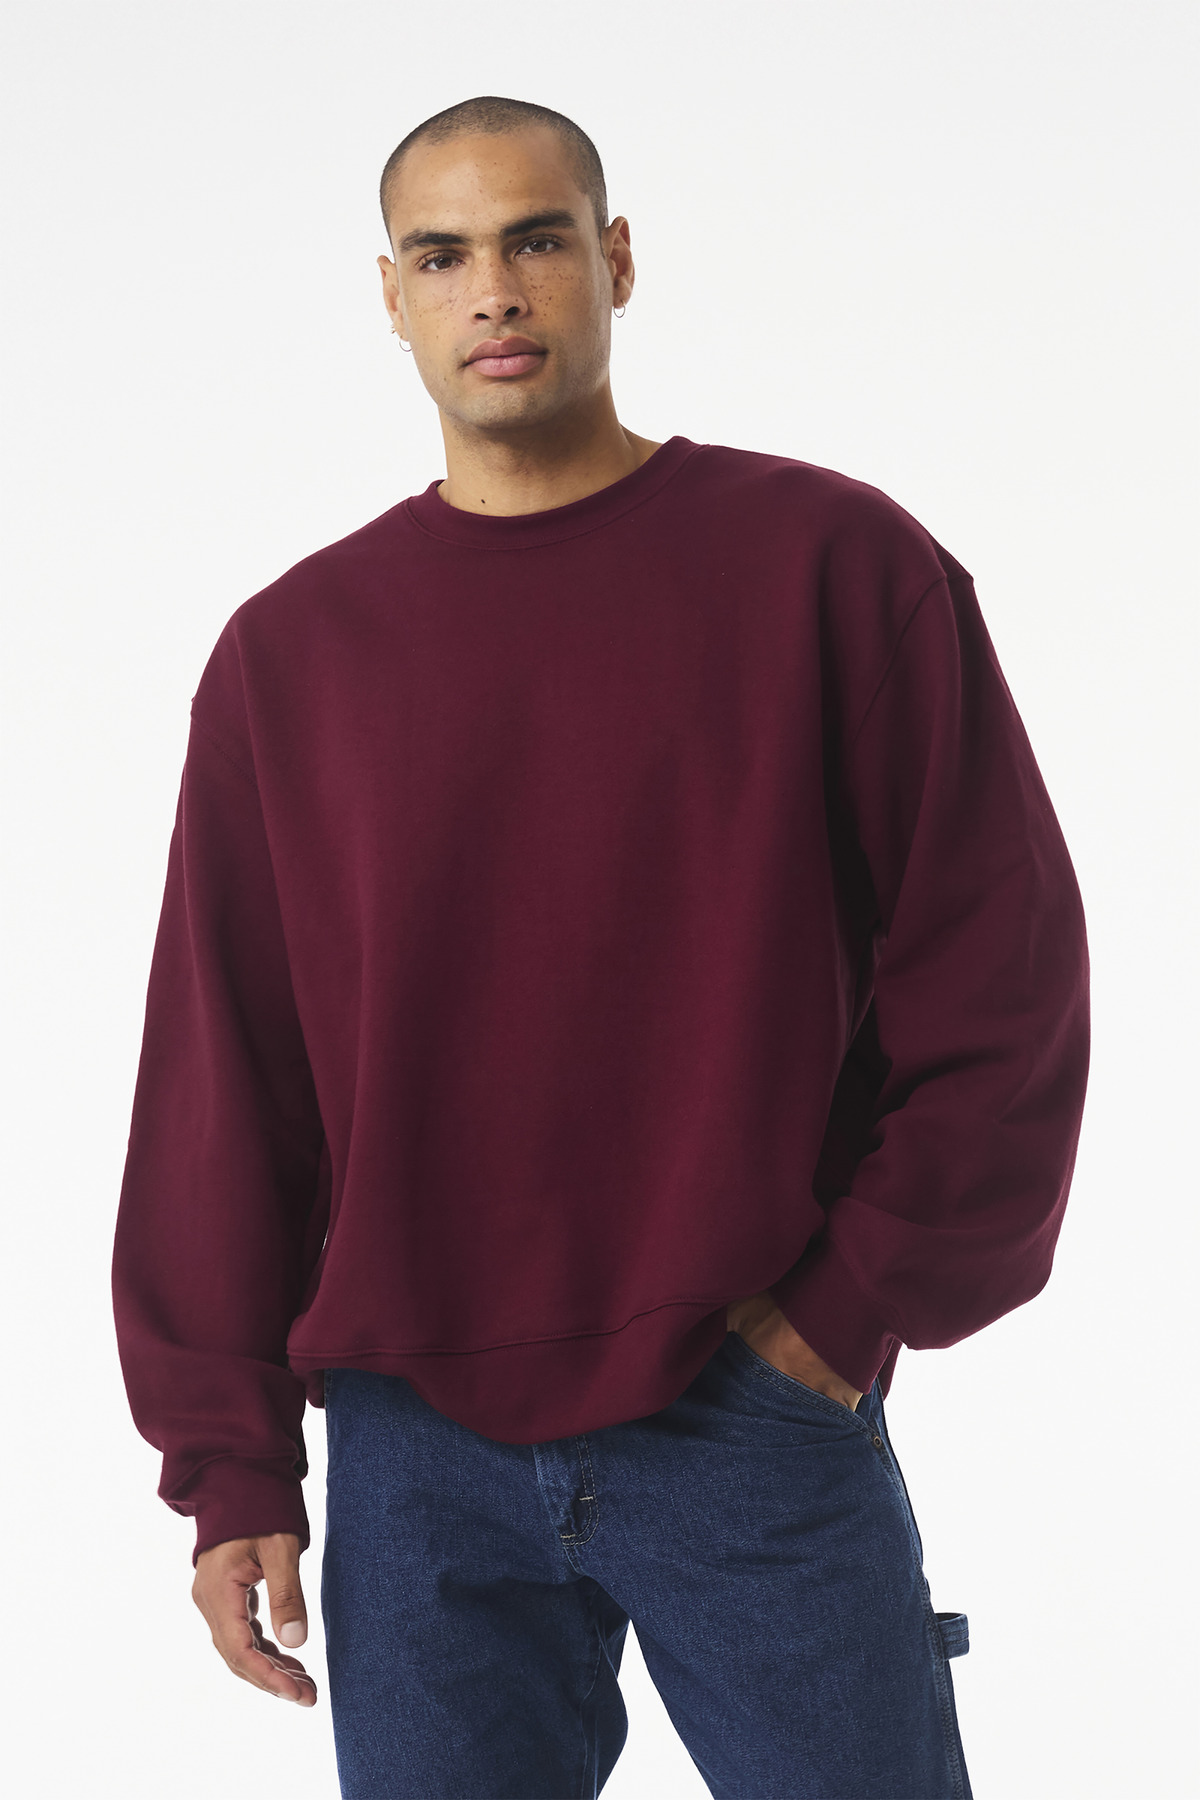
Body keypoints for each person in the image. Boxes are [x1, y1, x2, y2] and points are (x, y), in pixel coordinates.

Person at [111, 93, 1090, 1800]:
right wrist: (231, 1462)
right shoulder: (291, 658)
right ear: (392, 296)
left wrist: (845, 1312)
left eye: (536, 240)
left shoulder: (831, 568)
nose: (494, 290)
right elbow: (226, 1081)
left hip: (748, 1406)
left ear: (616, 260)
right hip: (416, 1453)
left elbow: (1001, 981)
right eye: (443, 256)